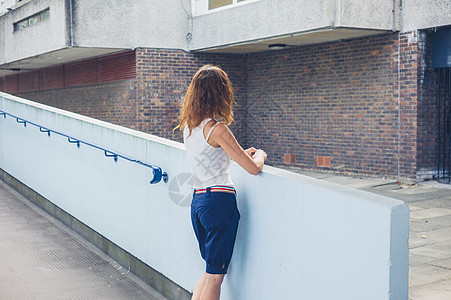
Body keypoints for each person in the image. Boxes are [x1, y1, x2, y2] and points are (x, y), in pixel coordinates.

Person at [175, 64, 267, 300]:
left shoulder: (190, 126)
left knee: (208, 272)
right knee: (216, 276)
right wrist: (261, 156)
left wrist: (238, 152)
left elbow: (210, 158)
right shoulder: (217, 129)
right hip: (218, 202)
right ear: (221, 93)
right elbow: (253, 169)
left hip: (198, 202)